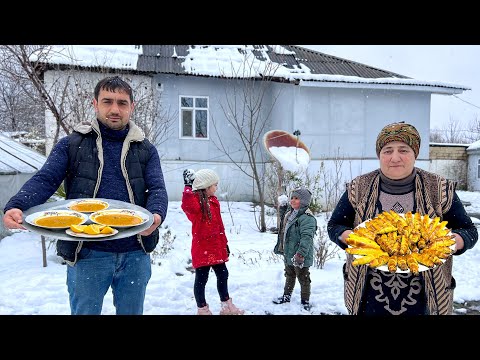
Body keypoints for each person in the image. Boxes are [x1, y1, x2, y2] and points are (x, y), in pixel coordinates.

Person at [3, 76, 168, 315]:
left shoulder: (145, 149)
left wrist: (155, 216)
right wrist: (17, 204)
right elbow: (46, 179)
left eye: (122, 103)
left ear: (132, 107)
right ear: (95, 104)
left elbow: (157, 189)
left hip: (135, 252)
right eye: (107, 101)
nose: (114, 109)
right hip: (87, 253)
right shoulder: (72, 144)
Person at [327, 121, 478, 315]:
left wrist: (457, 241)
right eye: (387, 150)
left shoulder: (440, 189)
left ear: (415, 153)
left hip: (427, 300)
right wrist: (347, 236)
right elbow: (335, 225)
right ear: (379, 155)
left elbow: (469, 230)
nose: (395, 157)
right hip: (368, 297)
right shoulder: (359, 188)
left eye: (403, 150)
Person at [181, 168, 245, 315]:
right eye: (215, 185)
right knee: (201, 279)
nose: (217, 187)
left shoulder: (213, 201)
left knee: (223, 274)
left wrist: (225, 244)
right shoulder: (196, 202)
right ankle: (202, 309)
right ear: (206, 186)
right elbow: (187, 206)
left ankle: (226, 306)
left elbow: (219, 227)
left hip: (216, 248)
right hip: (202, 248)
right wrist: (188, 187)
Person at [273, 187, 317, 311]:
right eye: (292, 198)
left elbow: (307, 238)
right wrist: (282, 209)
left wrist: (301, 254)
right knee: (289, 275)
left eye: (296, 198)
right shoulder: (291, 214)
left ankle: (305, 301)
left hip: (299, 255)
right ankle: (286, 296)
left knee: (303, 278)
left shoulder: (307, 218)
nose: (292, 200)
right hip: (289, 252)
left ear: (303, 201)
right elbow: (284, 227)